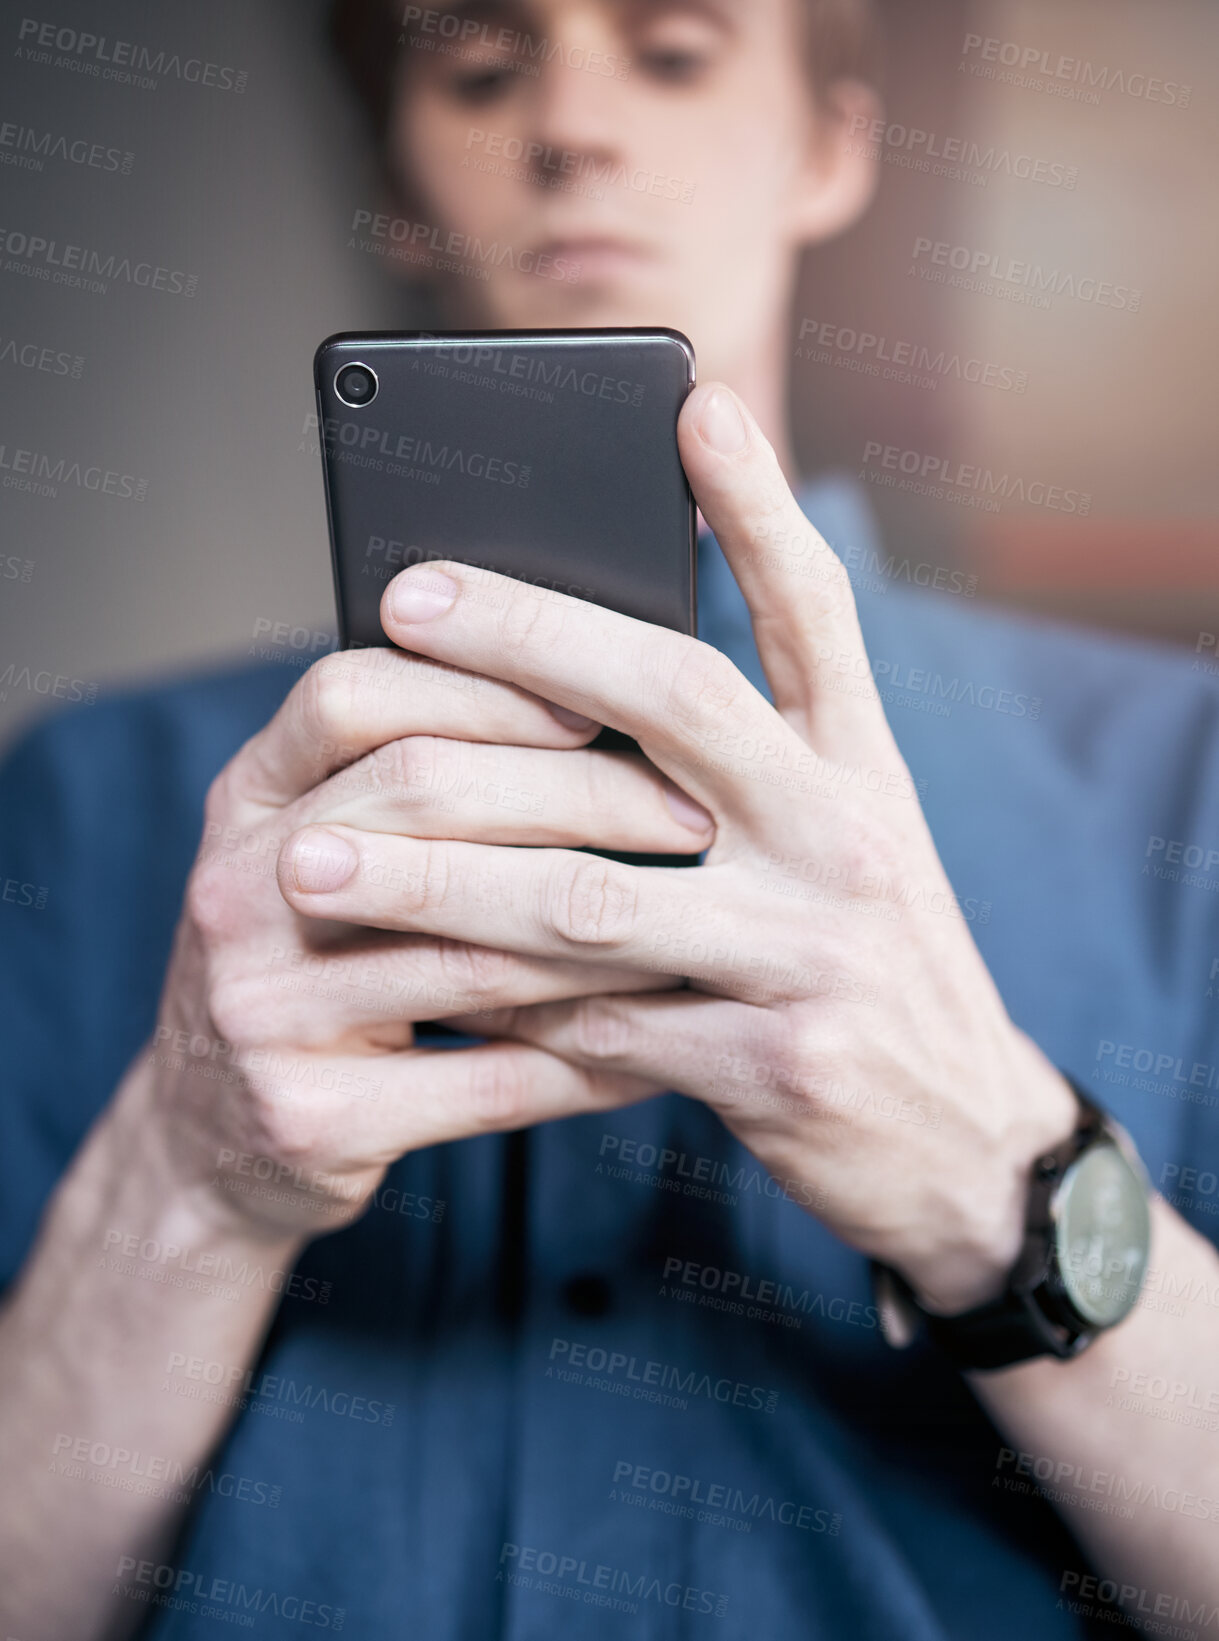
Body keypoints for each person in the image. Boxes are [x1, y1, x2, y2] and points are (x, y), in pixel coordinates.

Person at [2, 0, 1217, 1636]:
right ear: (407, 187)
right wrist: (189, 1181)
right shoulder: (87, 802)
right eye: (482, 67)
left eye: (674, 47)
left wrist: (993, 1167)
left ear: (831, 145)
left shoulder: (1182, 783)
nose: (569, 126)